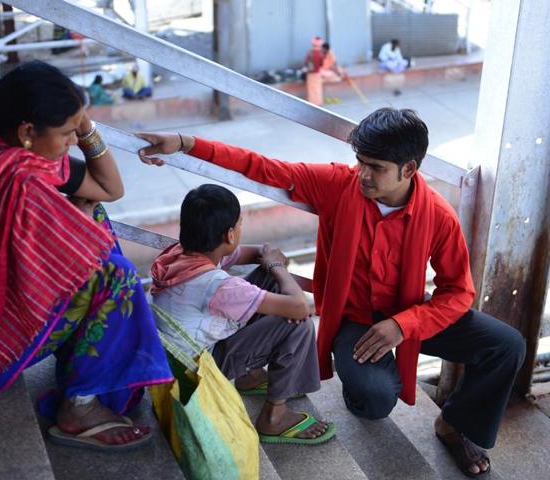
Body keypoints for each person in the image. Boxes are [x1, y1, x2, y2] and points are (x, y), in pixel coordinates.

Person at [135, 110, 527, 476]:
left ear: (409, 169)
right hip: (354, 318)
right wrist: (186, 143)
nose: (363, 175)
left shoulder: (438, 216)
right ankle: (364, 383)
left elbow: (458, 292)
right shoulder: (338, 185)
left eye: (376, 168)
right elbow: (263, 167)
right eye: (361, 162)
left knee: (506, 345)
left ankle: (455, 425)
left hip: (409, 314)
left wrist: (404, 324)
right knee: (374, 401)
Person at [0, 61, 172, 451]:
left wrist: (85, 127)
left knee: (94, 217)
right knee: (115, 276)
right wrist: (79, 222)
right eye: (67, 132)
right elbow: (87, 230)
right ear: (28, 130)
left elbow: (109, 189)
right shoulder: (19, 183)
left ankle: (84, 364)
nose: (72, 140)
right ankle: (79, 408)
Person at [148, 183, 335, 445]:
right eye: (239, 225)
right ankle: (274, 417)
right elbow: (301, 307)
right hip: (200, 373)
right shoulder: (218, 286)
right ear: (229, 234)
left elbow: (252, 253)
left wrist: (268, 258)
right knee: (299, 325)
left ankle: (251, 376)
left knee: (266, 278)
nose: (240, 231)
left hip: (177, 361)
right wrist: (277, 266)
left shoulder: (181, 255)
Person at [303, 36, 326, 106]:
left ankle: (312, 103)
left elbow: (306, 62)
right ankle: (319, 103)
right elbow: (322, 63)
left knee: (311, 89)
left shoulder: (310, 53)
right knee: (318, 89)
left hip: (310, 73)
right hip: (318, 73)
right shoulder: (321, 53)